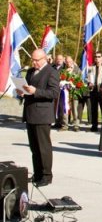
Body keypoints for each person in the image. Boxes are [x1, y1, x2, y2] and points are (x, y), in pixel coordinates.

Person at [17, 49, 60, 187]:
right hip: (30, 113)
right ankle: (37, 173)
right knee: (34, 147)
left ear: (44, 59)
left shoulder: (51, 72)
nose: (34, 62)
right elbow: (27, 88)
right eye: (32, 59)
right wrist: (22, 92)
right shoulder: (30, 72)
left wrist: (36, 91)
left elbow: (53, 93)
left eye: (36, 60)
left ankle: (47, 175)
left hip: (42, 114)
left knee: (43, 147)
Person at [88, 52, 102, 132]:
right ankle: (94, 125)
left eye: (99, 56)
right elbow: (89, 78)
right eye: (95, 57)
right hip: (93, 91)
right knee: (93, 109)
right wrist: (89, 83)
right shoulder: (91, 67)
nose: (97, 58)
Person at [52, 54, 65, 129]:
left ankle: (61, 122)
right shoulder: (52, 67)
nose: (59, 60)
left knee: (61, 106)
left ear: (63, 59)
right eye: (57, 59)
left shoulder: (65, 68)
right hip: (54, 89)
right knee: (54, 106)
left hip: (62, 90)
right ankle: (55, 121)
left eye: (60, 59)